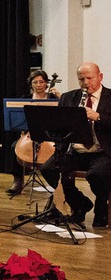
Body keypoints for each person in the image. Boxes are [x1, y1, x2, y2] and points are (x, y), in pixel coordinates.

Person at [40, 62, 111, 228]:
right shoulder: (68, 97)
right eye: (81, 79)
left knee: (96, 175)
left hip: (103, 151)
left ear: (100, 77)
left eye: (89, 78)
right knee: (49, 169)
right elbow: (59, 126)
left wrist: (98, 117)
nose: (85, 83)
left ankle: (102, 204)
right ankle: (80, 203)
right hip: (76, 150)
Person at [6, 70, 60, 195]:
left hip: (49, 135)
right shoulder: (25, 99)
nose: (38, 85)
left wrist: (60, 97)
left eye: (41, 82)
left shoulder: (53, 98)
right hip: (29, 134)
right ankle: (18, 180)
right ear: (31, 84)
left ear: (46, 83)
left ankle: (56, 183)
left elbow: (66, 112)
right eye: (35, 82)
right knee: (14, 146)